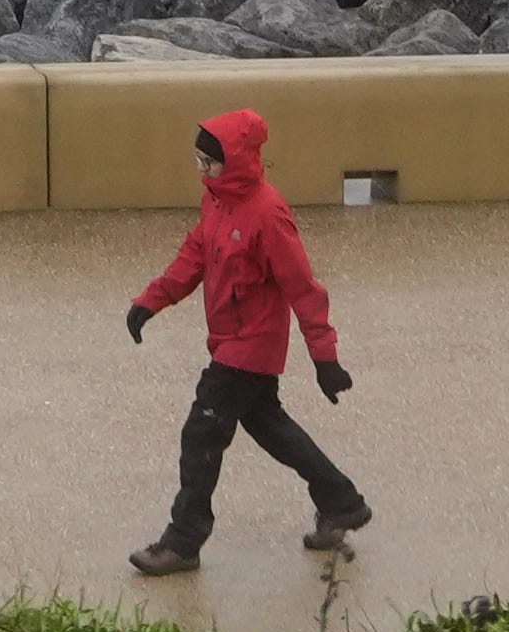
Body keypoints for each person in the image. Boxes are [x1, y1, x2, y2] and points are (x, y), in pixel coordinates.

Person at [122, 106, 366, 575]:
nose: (201, 171)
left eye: (208, 163)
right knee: (270, 427)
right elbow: (195, 255)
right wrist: (151, 301)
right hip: (229, 339)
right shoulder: (217, 199)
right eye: (197, 161)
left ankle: (183, 541)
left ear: (233, 161)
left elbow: (303, 287)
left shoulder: (268, 214)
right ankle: (341, 501)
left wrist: (325, 357)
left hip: (251, 346)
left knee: (202, 432)